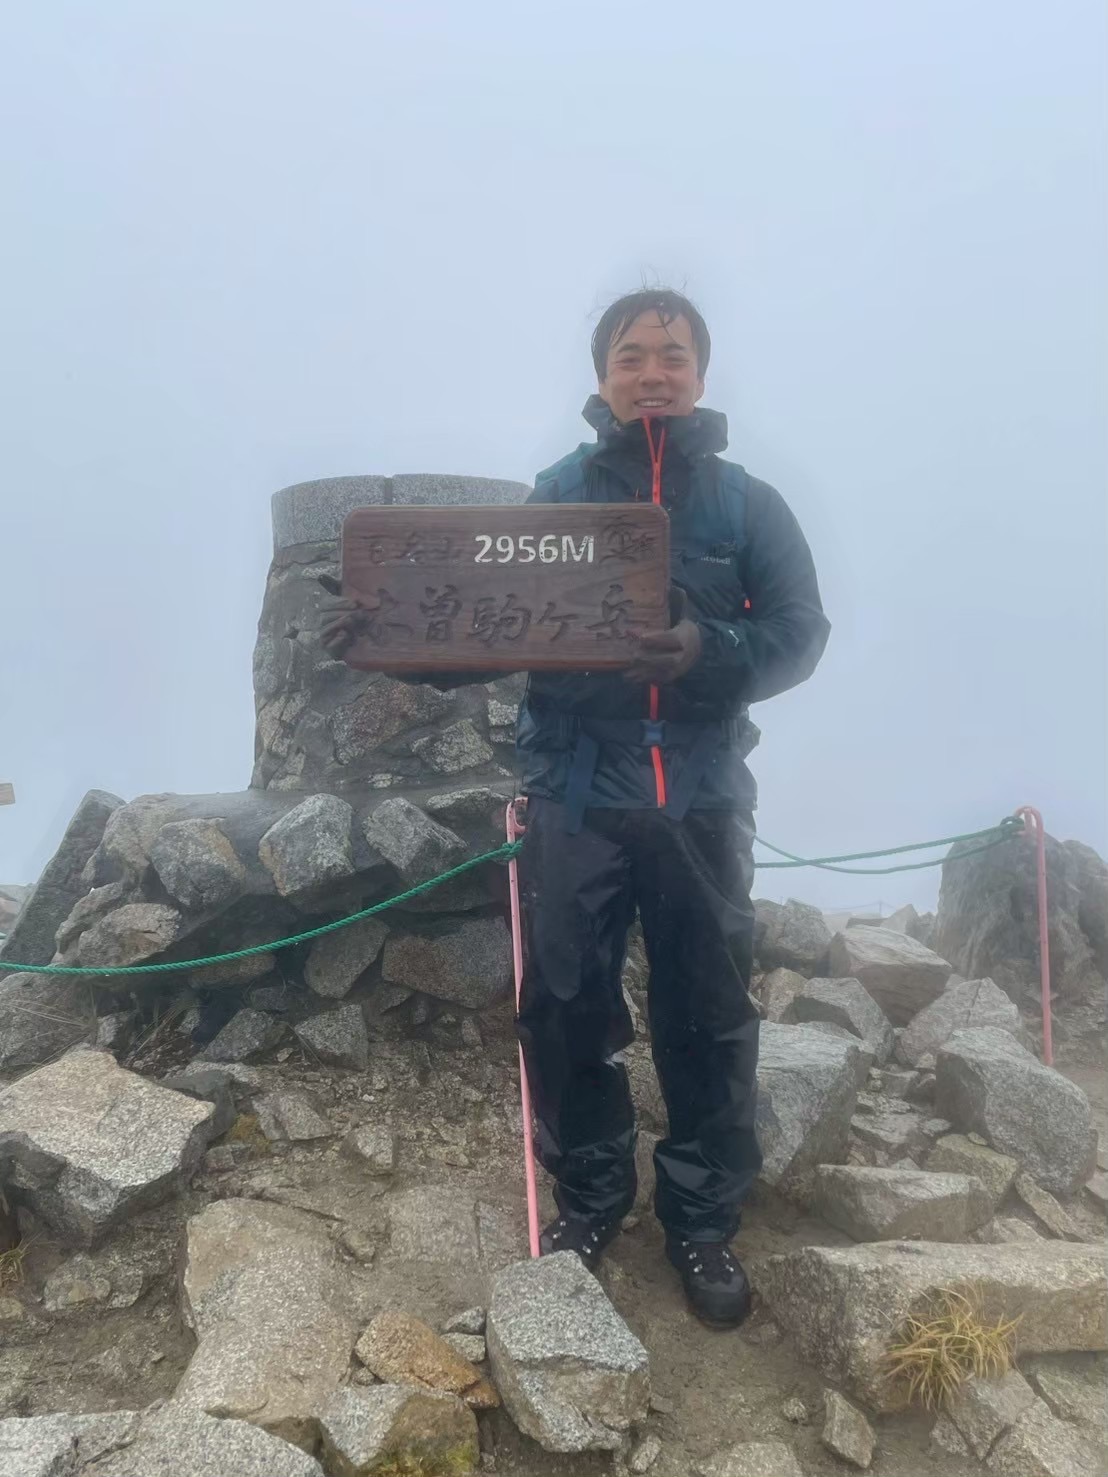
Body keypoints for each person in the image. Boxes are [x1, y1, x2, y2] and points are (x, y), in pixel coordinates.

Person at [323, 288, 829, 1329]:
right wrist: (396, 640)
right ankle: (591, 1206)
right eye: (632, 354)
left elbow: (798, 631)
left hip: (696, 791)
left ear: (699, 370)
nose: (653, 370)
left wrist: (706, 650)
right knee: (563, 1009)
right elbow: (491, 626)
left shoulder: (747, 506)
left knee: (707, 1012)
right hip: (572, 790)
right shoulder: (555, 495)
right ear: (601, 373)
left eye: (673, 353)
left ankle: (700, 1221)